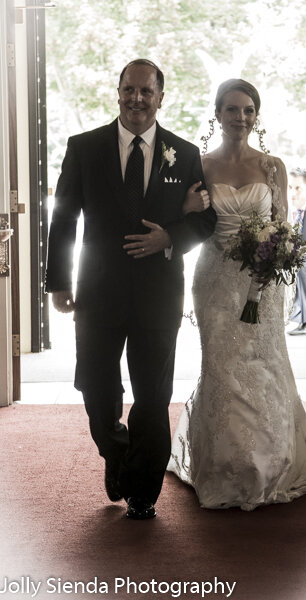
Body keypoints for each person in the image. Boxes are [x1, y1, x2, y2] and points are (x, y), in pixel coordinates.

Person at [167, 79, 306, 510]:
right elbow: (189, 222)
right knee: (220, 365)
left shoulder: (272, 166)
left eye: (248, 110)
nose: (241, 117)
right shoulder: (198, 165)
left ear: (256, 116)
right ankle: (222, 464)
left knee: (265, 364)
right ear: (216, 114)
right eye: (232, 109)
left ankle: (270, 460)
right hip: (214, 278)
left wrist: (277, 255)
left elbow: (282, 225)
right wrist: (184, 212)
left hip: (263, 278)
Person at [45, 59, 217, 520]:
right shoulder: (84, 148)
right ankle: (116, 452)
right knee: (97, 391)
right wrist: (58, 281)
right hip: (97, 294)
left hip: (158, 295)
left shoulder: (184, 153)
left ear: (162, 97)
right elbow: (63, 218)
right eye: (129, 89)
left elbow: (205, 219)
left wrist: (170, 238)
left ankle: (142, 491)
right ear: (117, 92)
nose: (137, 99)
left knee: (153, 394)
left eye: (146, 91)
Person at [287, 167, 306, 336]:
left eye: (297, 188)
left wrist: (300, 251)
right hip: (287, 256)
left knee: (302, 264)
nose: (293, 192)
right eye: (290, 187)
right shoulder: (284, 207)